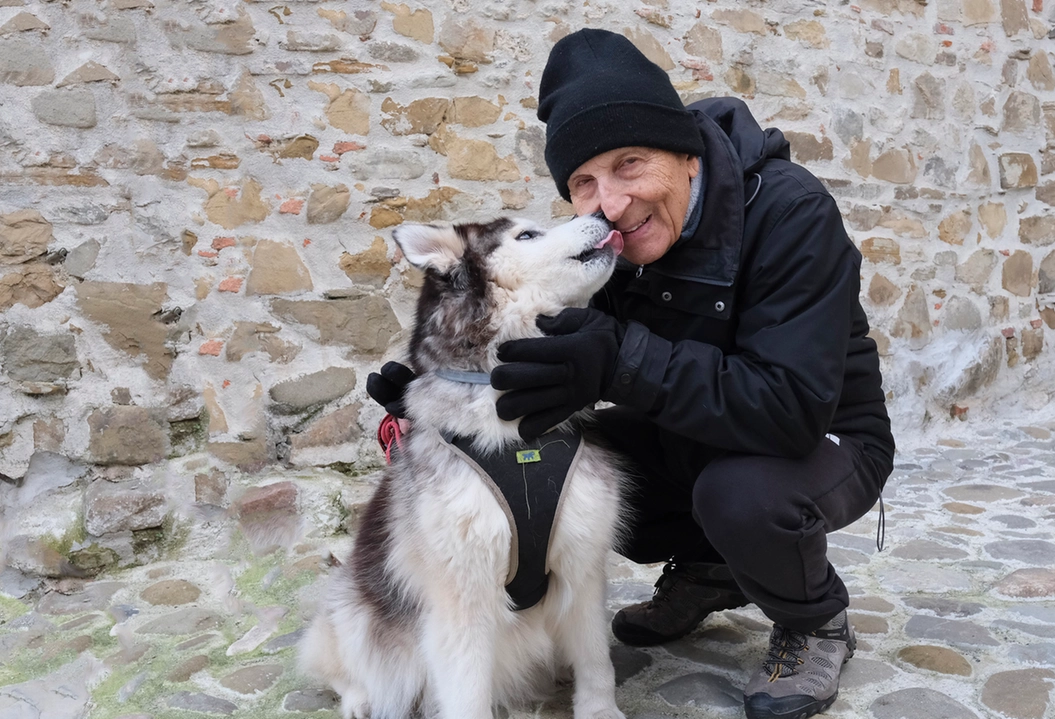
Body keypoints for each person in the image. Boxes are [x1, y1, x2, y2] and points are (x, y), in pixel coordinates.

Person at [368, 29, 894, 719]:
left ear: (686, 152)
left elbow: (790, 406)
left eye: (630, 163)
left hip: (823, 438)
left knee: (741, 495)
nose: (609, 203)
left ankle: (814, 618)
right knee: (572, 473)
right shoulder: (616, 242)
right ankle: (710, 570)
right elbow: (550, 342)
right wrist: (442, 386)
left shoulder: (792, 214)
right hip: (694, 425)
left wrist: (618, 359)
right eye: (584, 182)